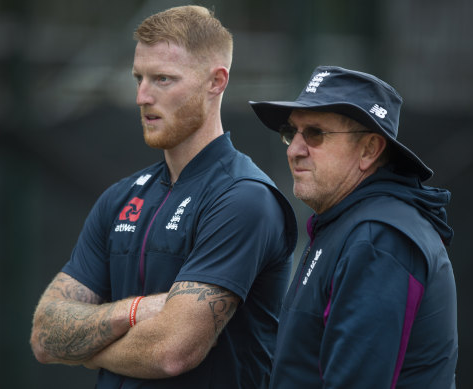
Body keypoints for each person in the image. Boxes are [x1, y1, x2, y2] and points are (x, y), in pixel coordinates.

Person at [30, 6, 297, 389]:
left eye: (163, 79)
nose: (141, 96)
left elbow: (172, 352)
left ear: (216, 82)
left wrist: (87, 351)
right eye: (139, 77)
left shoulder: (244, 199)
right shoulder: (120, 198)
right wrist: (139, 310)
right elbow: (45, 334)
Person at [249, 66, 458, 388]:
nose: (294, 150)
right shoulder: (349, 223)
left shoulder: (379, 238)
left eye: (315, 134)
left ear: (369, 150)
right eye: (292, 133)